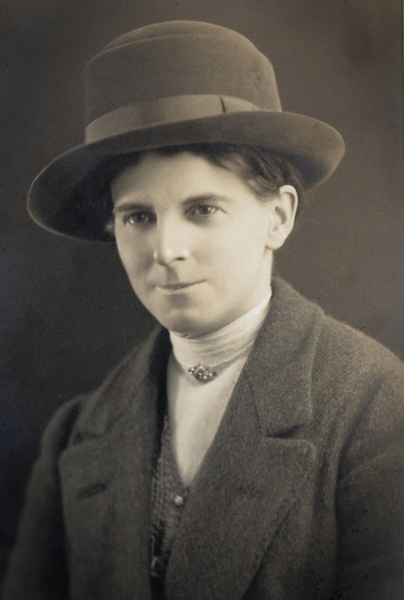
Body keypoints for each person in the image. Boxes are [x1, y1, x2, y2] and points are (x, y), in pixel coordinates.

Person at [2, 20, 404, 600]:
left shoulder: (374, 406)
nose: (166, 250)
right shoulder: (74, 437)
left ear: (278, 217)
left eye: (203, 209)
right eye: (138, 217)